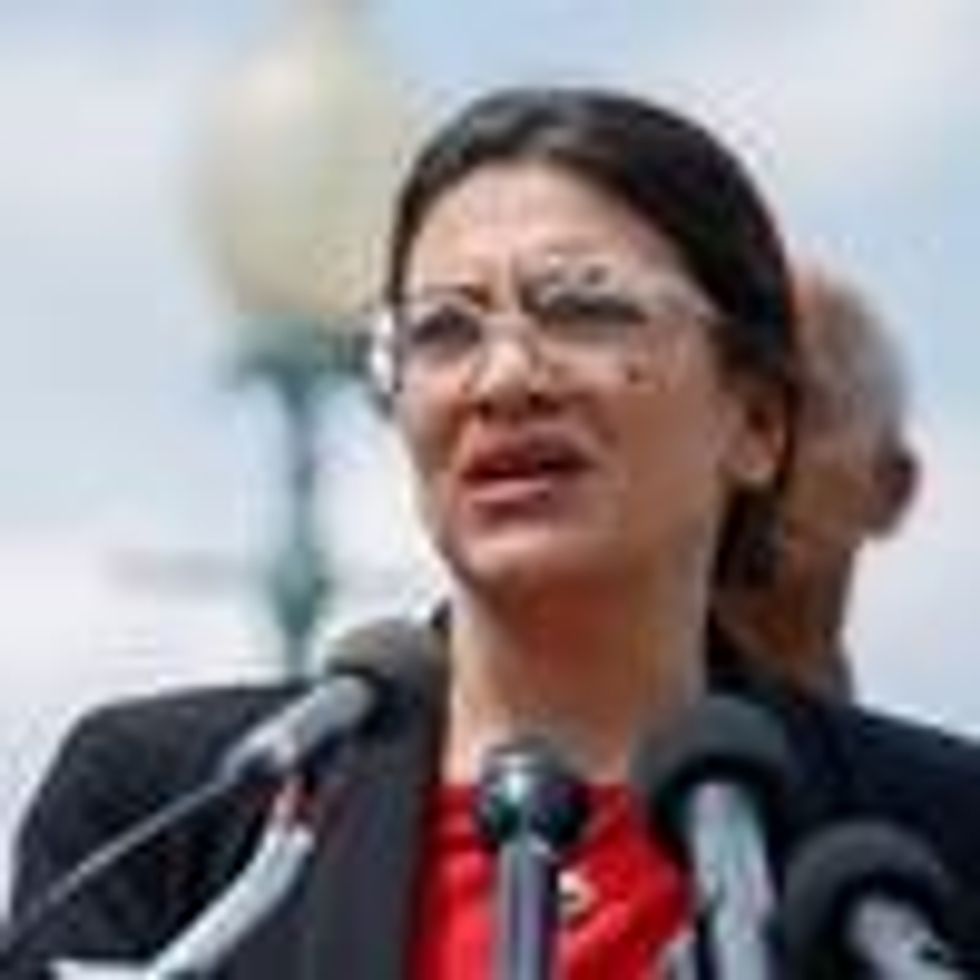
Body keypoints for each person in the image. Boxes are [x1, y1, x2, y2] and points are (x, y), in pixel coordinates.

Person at [8, 87, 980, 979]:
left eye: (584, 309)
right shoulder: (178, 810)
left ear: (757, 422)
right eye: (442, 331)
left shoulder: (934, 836)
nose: (504, 377)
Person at [715, 265, 920, 698]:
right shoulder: (566, 751)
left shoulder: (931, 766)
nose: (757, 456)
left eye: (806, 412)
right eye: (739, 410)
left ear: (892, 489)